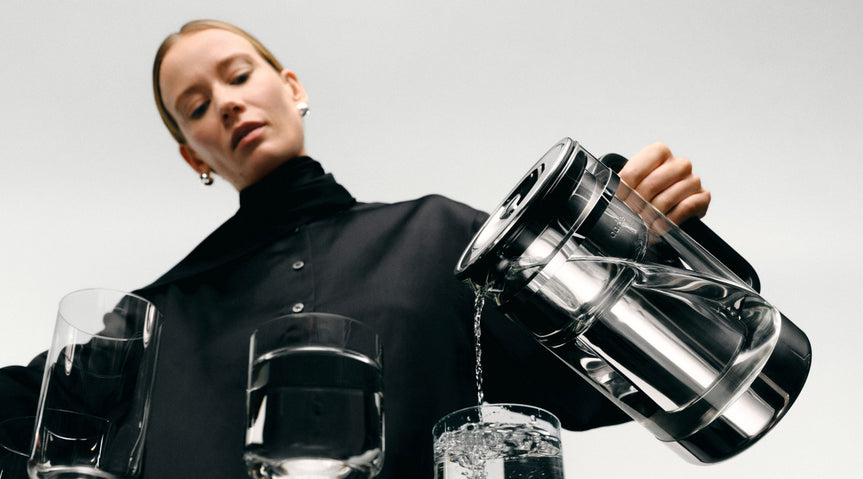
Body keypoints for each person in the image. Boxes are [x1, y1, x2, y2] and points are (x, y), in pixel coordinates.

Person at [0, 20, 710, 478]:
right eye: (196, 106)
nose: (227, 102)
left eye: (239, 76)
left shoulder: (442, 238)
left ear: (291, 87)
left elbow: (610, 381)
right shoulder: (147, 323)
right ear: (195, 156)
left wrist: (631, 247)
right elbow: (27, 421)